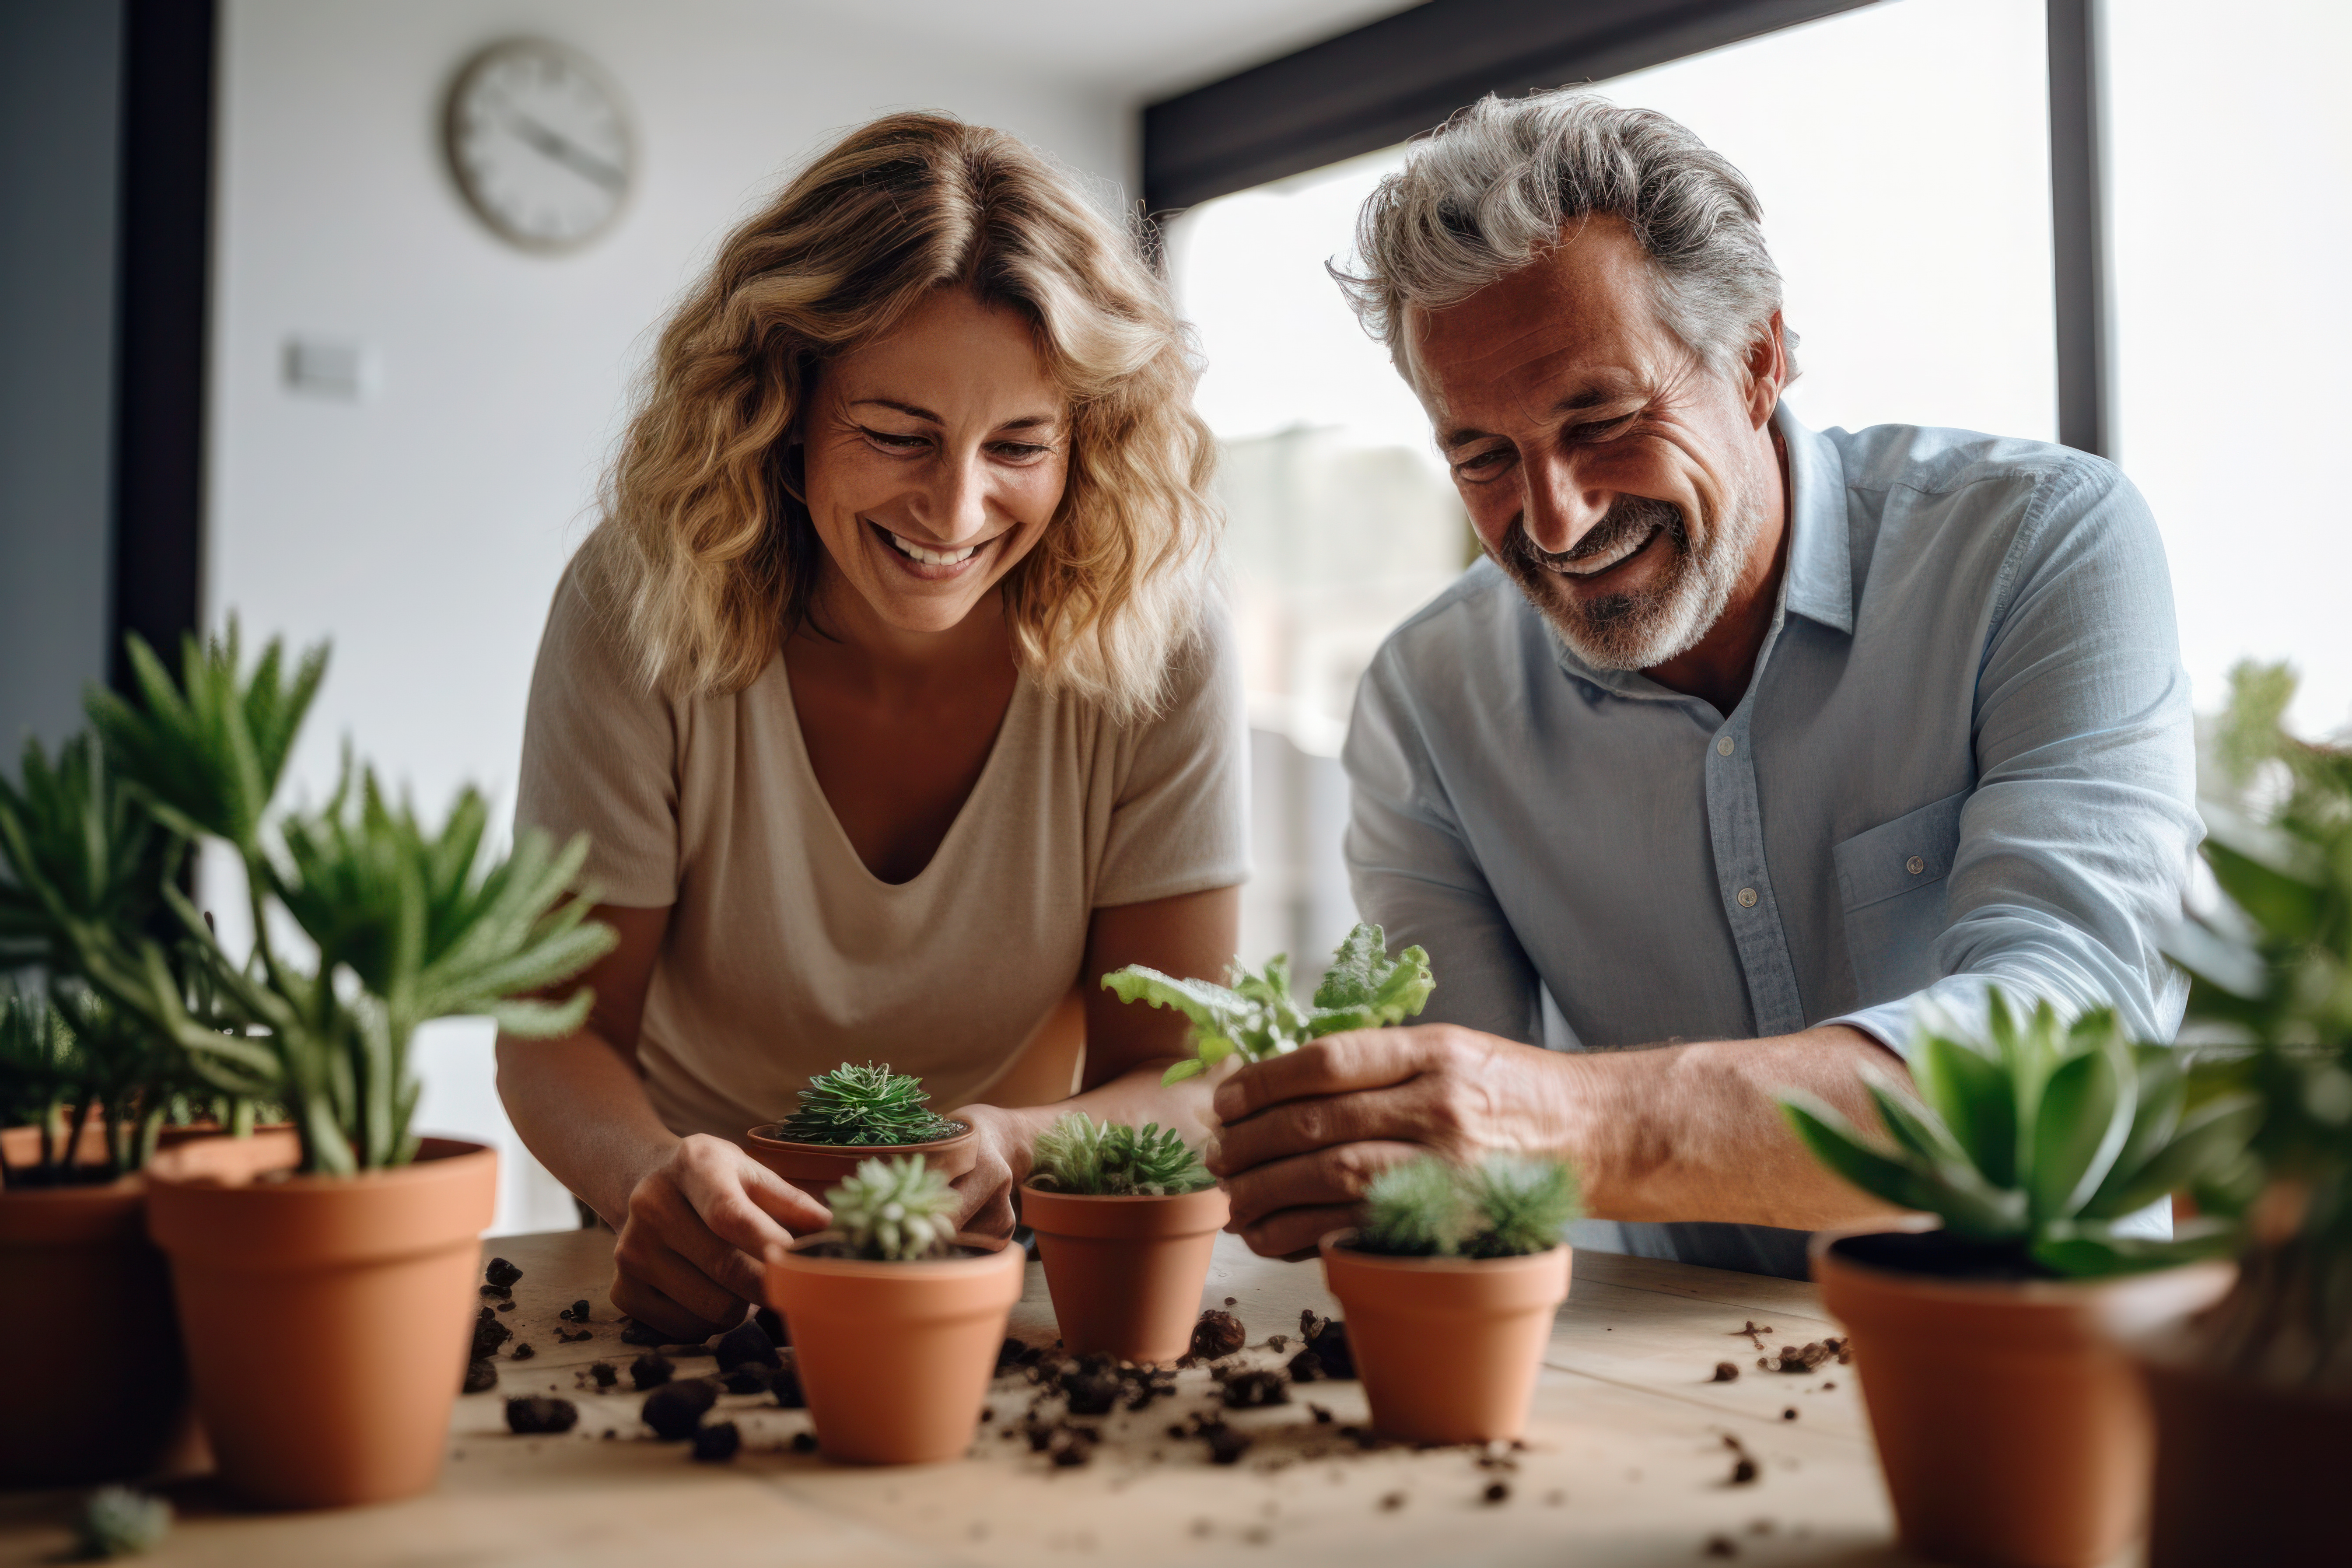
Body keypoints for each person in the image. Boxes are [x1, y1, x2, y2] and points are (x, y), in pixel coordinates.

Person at [1206, 92, 2198, 1277]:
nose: (1555, 516)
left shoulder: (2039, 546)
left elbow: (2064, 1054)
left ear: (1760, 359)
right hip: (1670, 1391)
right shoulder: (1428, 702)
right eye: (1481, 455)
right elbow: (1455, 1165)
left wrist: (1577, 1123)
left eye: (1605, 418)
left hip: (2034, 1362)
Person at [499, 114, 1247, 1338]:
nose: (955, 510)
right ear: (782, 407)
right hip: (694, 1260)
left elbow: (1183, 1078)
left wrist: (1023, 1142)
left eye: (1019, 445)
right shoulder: (637, 601)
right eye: (897, 435)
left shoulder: (1162, 646)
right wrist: (652, 1179)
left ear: (1087, 443)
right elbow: (559, 1037)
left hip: (1011, 1262)